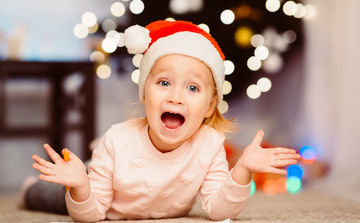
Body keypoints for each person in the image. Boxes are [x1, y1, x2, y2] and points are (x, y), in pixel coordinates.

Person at [29, 20, 300, 222]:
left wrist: (242, 170)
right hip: (104, 175)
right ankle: (31, 188)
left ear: (209, 107)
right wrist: (79, 185)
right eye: (164, 82)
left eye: (192, 88)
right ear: (145, 94)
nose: (176, 97)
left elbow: (218, 210)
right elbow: (91, 214)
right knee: (55, 195)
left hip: (111, 166)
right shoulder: (116, 140)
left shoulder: (209, 144)